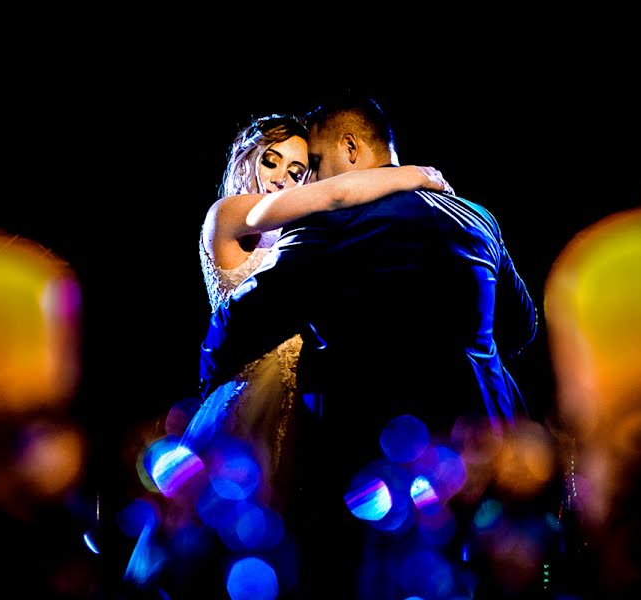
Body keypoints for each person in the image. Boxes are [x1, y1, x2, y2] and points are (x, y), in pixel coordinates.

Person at [198, 95, 539, 597]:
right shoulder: (476, 217)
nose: (308, 183)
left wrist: (213, 367)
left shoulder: (329, 224)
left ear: (350, 147)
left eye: (310, 165)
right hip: (491, 436)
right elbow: (521, 328)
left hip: (380, 451)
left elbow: (242, 321)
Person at [190, 113, 453, 510]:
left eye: (297, 171)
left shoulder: (304, 235)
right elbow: (335, 194)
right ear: (247, 159)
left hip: (304, 404)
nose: (281, 177)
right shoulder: (226, 214)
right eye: (271, 160)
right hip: (248, 398)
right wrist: (412, 175)